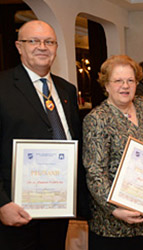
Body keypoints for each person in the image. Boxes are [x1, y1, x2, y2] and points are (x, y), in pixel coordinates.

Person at [0, 20, 89, 249]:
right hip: (15, 210)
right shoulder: (3, 86)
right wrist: (1, 204)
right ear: (19, 46)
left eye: (49, 41)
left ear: (56, 48)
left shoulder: (67, 89)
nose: (42, 47)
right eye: (34, 41)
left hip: (58, 206)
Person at [82, 55, 143, 250]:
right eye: (118, 81)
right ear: (106, 85)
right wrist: (115, 209)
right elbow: (95, 173)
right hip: (113, 226)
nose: (125, 86)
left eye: (130, 80)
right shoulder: (97, 119)